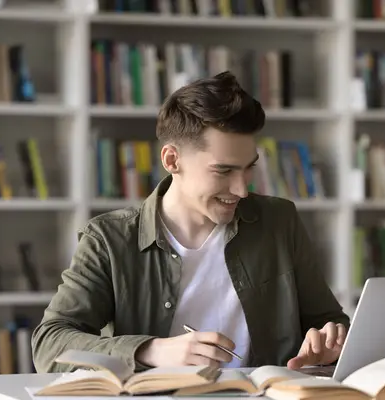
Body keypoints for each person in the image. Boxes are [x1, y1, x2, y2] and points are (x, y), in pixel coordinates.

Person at [31, 71, 350, 374]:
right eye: (223, 171)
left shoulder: (280, 221)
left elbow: (330, 324)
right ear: (172, 160)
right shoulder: (109, 239)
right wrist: (150, 351)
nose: (242, 189)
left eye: (248, 168)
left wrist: (330, 342)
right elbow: (50, 344)